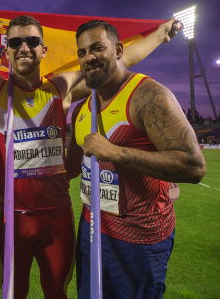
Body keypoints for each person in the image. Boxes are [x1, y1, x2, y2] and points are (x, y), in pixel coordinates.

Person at [0, 2, 181, 299]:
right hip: (8, 216)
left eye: (32, 41)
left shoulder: (60, 87)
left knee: (57, 292)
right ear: (6, 51)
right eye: (15, 42)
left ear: (43, 50)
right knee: (13, 294)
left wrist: (159, 35)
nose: (24, 47)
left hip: (57, 214)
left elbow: (119, 58)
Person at [66, 20, 206, 299]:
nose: (88, 57)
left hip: (139, 238)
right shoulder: (82, 108)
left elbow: (194, 166)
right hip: (92, 228)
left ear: (118, 50)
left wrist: (115, 153)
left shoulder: (148, 96)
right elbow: (70, 168)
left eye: (97, 48)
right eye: (82, 53)